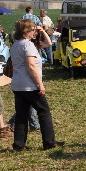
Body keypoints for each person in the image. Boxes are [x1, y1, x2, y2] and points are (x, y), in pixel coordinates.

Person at [10, 19, 63, 151]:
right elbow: (31, 66)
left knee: (21, 115)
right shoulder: (27, 45)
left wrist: (42, 31)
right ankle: (49, 142)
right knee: (44, 112)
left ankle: (18, 145)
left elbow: (48, 43)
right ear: (26, 31)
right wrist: (40, 84)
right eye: (33, 29)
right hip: (30, 85)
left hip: (17, 85)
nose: (35, 32)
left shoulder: (15, 45)